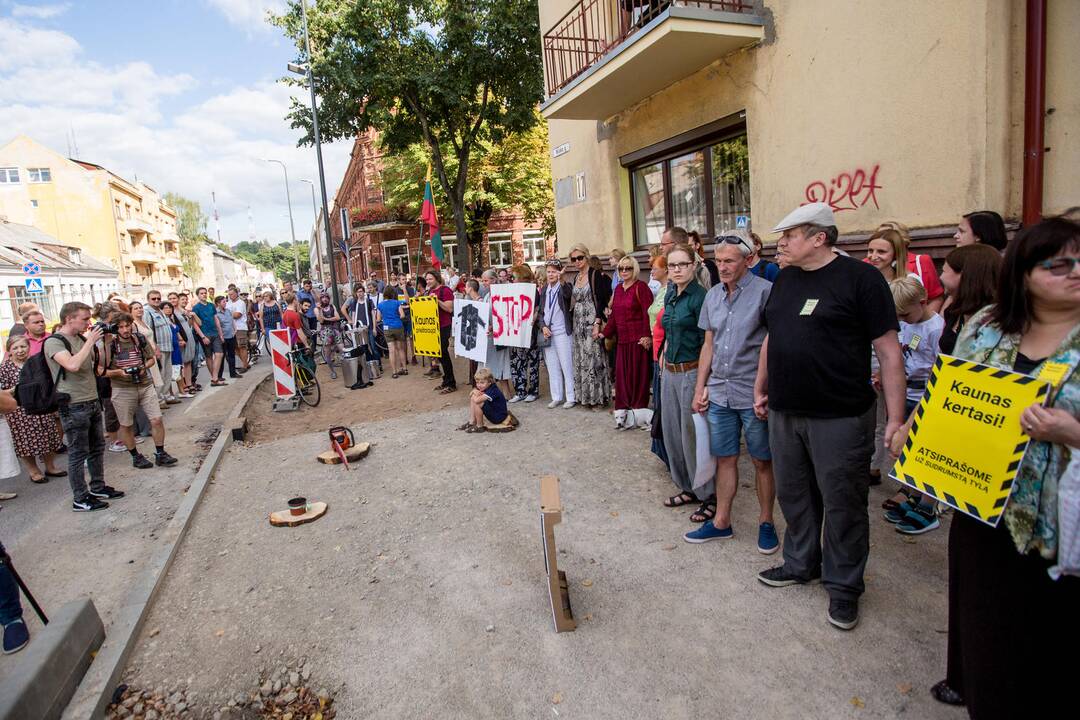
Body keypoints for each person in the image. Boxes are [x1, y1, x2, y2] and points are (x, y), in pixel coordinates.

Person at [895, 214, 1079, 717]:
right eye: (1059, 263)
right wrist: (913, 425)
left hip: (1057, 523)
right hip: (981, 500)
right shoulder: (987, 324)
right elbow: (950, 386)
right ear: (1023, 271)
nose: (1076, 271)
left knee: (1045, 636)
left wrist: (1070, 432)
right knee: (983, 615)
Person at [753, 202, 905, 631]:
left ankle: (844, 585)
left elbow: (889, 350)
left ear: (820, 237)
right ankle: (800, 563)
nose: (781, 242)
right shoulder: (785, 280)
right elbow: (773, 338)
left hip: (840, 415)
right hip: (785, 410)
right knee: (796, 495)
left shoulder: (862, 279)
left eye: (790, 235)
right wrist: (761, 387)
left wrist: (896, 419)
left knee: (843, 502)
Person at [683, 233, 778, 550]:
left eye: (729, 261)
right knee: (725, 458)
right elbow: (708, 344)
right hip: (719, 392)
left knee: (763, 461)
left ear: (747, 260)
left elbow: (773, 343)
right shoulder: (712, 296)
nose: (722, 267)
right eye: (719, 260)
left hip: (752, 393)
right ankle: (721, 521)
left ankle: (766, 521)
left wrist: (762, 388)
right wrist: (700, 387)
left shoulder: (766, 293)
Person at [880, 277, 946, 535]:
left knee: (924, 450)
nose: (903, 320)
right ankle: (913, 494)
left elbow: (939, 367)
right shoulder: (908, 324)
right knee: (906, 449)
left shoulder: (935, 329)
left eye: (906, 314)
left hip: (924, 398)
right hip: (906, 392)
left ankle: (929, 505)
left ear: (923, 302)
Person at [44, 302, 124, 511]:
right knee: (78, 452)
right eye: (84, 318)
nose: (89, 322)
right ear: (69, 318)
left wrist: (105, 343)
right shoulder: (54, 342)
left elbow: (98, 366)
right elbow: (72, 365)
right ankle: (80, 497)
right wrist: (90, 342)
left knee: (97, 447)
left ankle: (97, 486)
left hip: (91, 399)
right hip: (73, 404)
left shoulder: (80, 338)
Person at [654, 245, 712, 521]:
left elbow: (707, 344)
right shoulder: (670, 294)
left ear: (693, 265)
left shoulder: (701, 297)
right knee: (673, 432)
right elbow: (668, 332)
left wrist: (704, 383)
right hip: (670, 371)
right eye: (672, 265)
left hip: (691, 372)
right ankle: (687, 487)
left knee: (693, 436)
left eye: (682, 265)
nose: (676, 270)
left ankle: (708, 494)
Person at [104, 312, 178, 469]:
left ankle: (160, 453)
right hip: (122, 388)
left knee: (156, 419)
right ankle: (135, 456)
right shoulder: (109, 344)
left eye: (127, 325)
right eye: (121, 327)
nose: (125, 330)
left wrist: (144, 367)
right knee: (126, 425)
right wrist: (119, 372)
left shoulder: (139, 339)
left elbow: (151, 359)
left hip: (144, 384)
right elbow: (100, 370)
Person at [0, 336, 65, 483]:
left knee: (48, 436)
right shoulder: (4, 369)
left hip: (42, 406)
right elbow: (2, 393)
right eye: (15, 348)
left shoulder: (36, 363)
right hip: (19, 411)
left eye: (23, 346)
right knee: (25, 442)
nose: (20, 350)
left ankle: (50, 466)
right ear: (9, 351)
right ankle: (34, 471)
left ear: (28, 347)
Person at [598, 254, 653, 412]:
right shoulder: (618, 289)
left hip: (638, 341)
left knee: (638, 377)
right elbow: (614, 316)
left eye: (628, 268)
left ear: (634, 269)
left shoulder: (641, 287)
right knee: (622, 377)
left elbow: (646, 313)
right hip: (622, 341)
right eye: (621, 268)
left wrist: (646, 336)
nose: (624, 271)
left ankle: (638, 408)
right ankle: (623, 408)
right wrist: (604, 333)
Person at [567, 244, 612, 408]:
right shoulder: (575, 278)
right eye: (574, 259)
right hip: (578, 322)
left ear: (586, 256)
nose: (577, 261)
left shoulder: (595, 275)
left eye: (580, 257)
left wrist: (597, 322)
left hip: (592, 320)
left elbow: (601, 300)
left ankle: (599, 398)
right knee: (582, 360)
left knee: (595, 359)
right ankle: (585, 397)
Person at [538, 259, 575, 409]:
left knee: (567, 364)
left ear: (559, 272)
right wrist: (543, 326)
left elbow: (567, 296)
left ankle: (571, 396)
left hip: (562, 332)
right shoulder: (545, 289)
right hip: (548, 332)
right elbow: (541, 312)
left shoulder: (563, 286)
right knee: (552, 366)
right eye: (549, 271)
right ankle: (556, 396)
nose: (551, 274)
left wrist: (562, 279)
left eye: (554, 271)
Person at [507, 264, 542, 404]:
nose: (512, 280)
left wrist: (535, 315)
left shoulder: (533, 291)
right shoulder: (510, 290)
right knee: (516, 362)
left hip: (529, 331)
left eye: (514, 277)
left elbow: (538, 308)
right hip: (515, 331)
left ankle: (533, 391)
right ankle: (520, 391)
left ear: (521, 277)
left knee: (532, 361)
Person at [478, 271, 513, 401]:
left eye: (486, 280)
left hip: (500, 335)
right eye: (483, 281)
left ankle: (506, 394)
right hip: (488, 336)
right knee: (490, 366)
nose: (484, 283)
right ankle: (492, 394)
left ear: (493, 280)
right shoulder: (487, 295)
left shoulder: (501, 294)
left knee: (502, 364)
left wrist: (495, 326)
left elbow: (505, 315)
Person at [424, 270, 457, 393]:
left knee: (443, 352)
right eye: (427, 280)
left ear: (437, 278)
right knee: (439, 354)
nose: (428, 281)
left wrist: (436, 300)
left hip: (444, 325)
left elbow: (449, 309)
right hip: (434, 326)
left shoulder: (445, 290)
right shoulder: (430, 291)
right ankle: (446, 380)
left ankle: (451, 383)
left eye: (430, 279)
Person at [143, 291, 177, 406]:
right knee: (160, 374)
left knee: (168, 373)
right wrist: (155, 348)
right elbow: (148, 332)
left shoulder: (160, 311)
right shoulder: (147, 312)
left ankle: (166, 395)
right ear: (148, 300)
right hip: (159, 348)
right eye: (153, 299)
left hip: (168, 347)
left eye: (158, 298)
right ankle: (159, 399)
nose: (156, 300)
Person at [459, 368, 514, 433]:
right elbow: (471, 394)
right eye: (477, 382)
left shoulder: (493, 390)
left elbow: (476, 400)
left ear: (489, 382)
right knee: (474, 397)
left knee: (478, 402)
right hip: (494, 410)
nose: (479, 385)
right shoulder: (485, 386)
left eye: (482, 382)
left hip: (498, 417)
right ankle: (472, 421)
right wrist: (474, 392)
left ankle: (480, 426)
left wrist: (474, 392)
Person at [192, 288, 221, 384]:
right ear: (198, 295)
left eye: (205, 293)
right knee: (209, 356)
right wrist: (203, 337)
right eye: (201, 293)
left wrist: (220, 333)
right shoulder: (196, 307)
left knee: (219, 354)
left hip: (215, 333)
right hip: (205, 334)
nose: (204, 295)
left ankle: (215, 376)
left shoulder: (211, 305)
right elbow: (195, 324)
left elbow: (216, 319)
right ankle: (214, 379)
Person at [375, 288, 407, 378]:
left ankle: (394, 372)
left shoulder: (380, 305)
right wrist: (396, 318)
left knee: (391, 350)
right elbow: (402, 315)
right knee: (400, 349)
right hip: (398, 326)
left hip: (387, 328)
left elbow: (378, 319)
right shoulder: (397, 303)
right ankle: (404, 369)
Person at [315, 292, 344, 380]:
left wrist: (327, 318)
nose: (325, 299)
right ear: (320, 299)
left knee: (342, 348)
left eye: (326, 297)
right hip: (325, 331)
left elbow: (338, 317)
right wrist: (320, 310)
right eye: (323, 297)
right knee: (327, 353)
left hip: (335, 329)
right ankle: (332, 371)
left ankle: (347, 366)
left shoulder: (332, 306)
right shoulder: (316, 309)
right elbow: (320, 320)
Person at [214, 296, 239, 382]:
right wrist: (221, 336)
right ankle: (219, 375)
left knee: (232, 355)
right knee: (222, 356)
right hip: (222, 337)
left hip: (231, 335)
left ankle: (233, 373)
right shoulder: (216, 313)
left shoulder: (228, 311)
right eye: (223, 302)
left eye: (225, 301)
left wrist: (235, 329)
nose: (225, 303)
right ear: (218, 303)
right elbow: (217, 326)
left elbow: (232, 320)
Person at [226, 287, 250, 372]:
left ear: (236, 293)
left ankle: (245, 366)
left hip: (240, 327)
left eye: (232, 294)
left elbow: (237, 315)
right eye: (229, 294)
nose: (230, 296)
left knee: (242, 347)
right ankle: (246, 363)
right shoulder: (228, 303)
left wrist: (226, 315)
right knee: (235, 348)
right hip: (231, 328)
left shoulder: (240, 303)